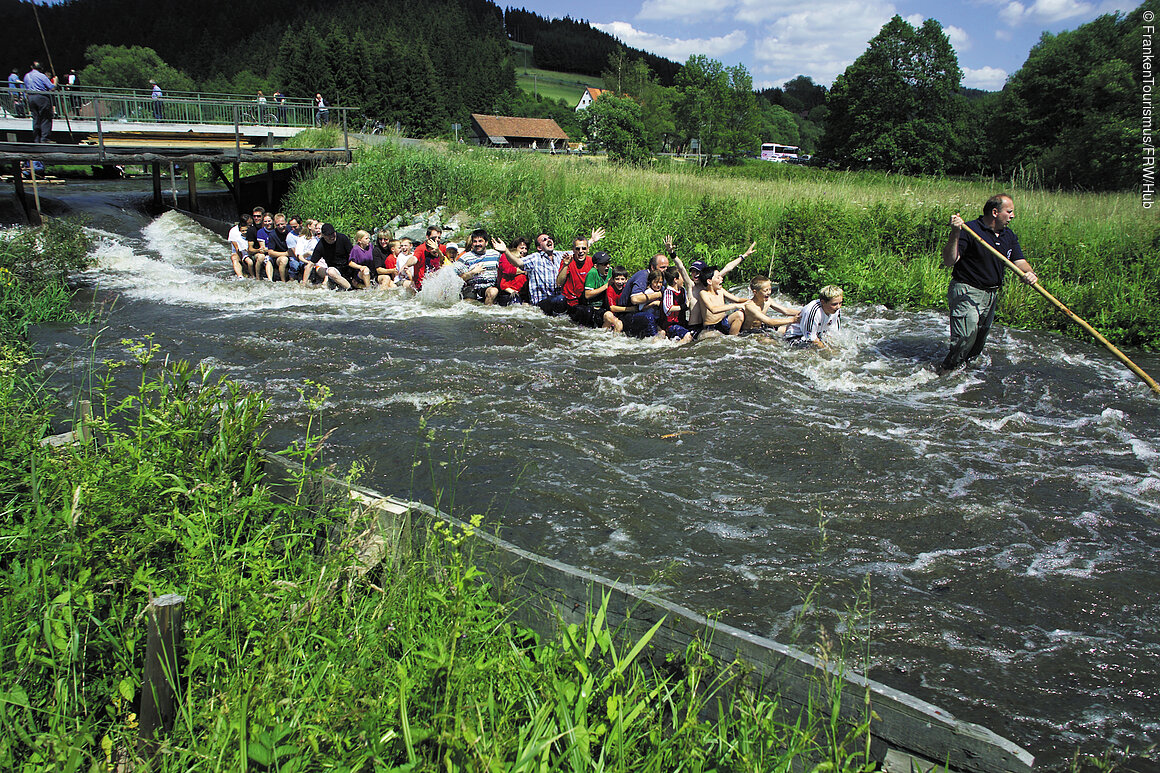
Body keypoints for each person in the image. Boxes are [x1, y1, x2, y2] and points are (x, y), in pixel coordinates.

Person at [939, 194, 1038, 373]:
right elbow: (949, 260)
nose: (1012, 216)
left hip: (991, 294)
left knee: (978, 341)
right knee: (964, 338)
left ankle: (964, 376)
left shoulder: (1009, 236)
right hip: (967, 290)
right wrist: (955, 232)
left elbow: (1020, 262)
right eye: (1009, 212)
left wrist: (1029, 273)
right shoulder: (969, 229)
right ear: (995, 212)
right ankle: (945, 372)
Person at [619, 251, 670, 337]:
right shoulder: (643, 276)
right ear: (653, 267)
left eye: (667, 267)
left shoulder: (662, 279)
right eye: (662, 267)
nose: (665, 270)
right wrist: (658, 295)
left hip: (646, 312)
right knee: (649, 317)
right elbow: (635, 299)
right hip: (628, 315)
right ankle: (655, 340)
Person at [697, 265, 747, 336]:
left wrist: (753, 300)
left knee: (740, 313)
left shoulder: (721, 290)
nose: (721, 278)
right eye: (718, 277)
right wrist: (735, 305)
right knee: (739, 313)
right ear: (709, 281)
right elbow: (713, 310)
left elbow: (738, 299)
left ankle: (734, 338)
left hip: (723, 322)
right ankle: (732, 339)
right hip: (712, 327)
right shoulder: (703, 293)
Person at [453, 229, 501, 302]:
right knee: (468, 300)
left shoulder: (495, 255)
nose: (477, 244)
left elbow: (508, 267)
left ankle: (487, 311)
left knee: (493, 291)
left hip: (489, 287)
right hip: (471, 288)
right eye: (475, 241)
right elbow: (456, 279)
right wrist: (472, 272)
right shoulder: (465, 258)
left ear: (486, 243)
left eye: (480, 241)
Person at [578, 250, 621, 330]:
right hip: (593, 307)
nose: (607, 266)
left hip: (605, 306)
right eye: (604, 264)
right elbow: (587, 295)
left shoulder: (610, 271)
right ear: (596, 266)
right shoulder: (592, 273)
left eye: (608, 263)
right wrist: (606, 286)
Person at [314, 224, 355, 290]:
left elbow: (353, 254)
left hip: (348, 267)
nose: (332, 237)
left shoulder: (342, 238)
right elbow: (311, 264)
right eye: (329, 235)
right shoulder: (321, 245)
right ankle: (350, 289)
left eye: (333, 234)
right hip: (335, 270)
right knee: (330, 271)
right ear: (323, 236)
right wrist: (304, 283)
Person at [660, 267, 694, 344]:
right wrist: (683, 307)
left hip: (682, 323)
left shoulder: (682, 290)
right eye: (682, 276)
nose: (684, 279)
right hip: (671, 325)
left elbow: (688, 302)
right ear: (675, 279)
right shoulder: (668, 291)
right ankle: (674, 348)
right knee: (688, 336)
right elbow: (668, 308)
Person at [23, 62, 55, 143]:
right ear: (41, 68)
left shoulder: (27, 76)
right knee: (45, 117)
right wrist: (55, 82)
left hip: (31, 97)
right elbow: (51, 88)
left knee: (36, 118)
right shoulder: (41, 76)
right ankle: (45, 138)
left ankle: (36, 138)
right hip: (41, 97)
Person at [491, 236, 528, 305]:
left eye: (526, 248)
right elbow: (509, 270)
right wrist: (523, 271)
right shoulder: (505, 257)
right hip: (509, 292)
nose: (524, 251)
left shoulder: (527, 259)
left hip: (522, 292)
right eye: (522, 248)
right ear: (515, 248)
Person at [409, 226, 446, 292]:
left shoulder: (443, 248)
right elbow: (414, 258)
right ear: (427, 237)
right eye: (434, 237)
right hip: (422, 284)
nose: (437, 239)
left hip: (438, 282)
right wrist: (406, 264)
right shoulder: (420, 248)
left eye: (439, 238)